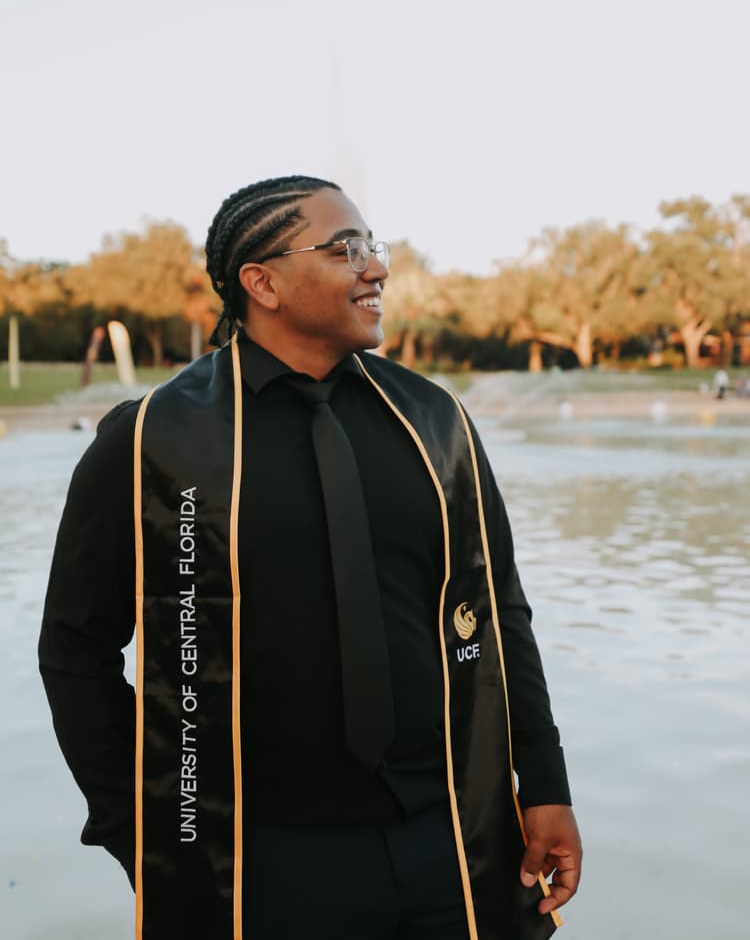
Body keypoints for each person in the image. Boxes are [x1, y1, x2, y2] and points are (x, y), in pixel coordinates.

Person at [39, 175, 581, 940]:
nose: (376, 267)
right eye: (344, 248)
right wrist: (142, 821)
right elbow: (74, 649)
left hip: (451, 836)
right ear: (262, 282)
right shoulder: (151, 439)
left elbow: (496, 608)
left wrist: (546, 782)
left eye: (373, 246)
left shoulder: (435, 422)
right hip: (258, 857)